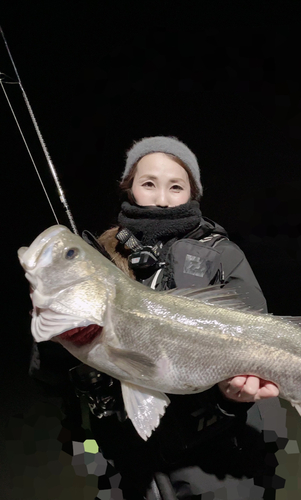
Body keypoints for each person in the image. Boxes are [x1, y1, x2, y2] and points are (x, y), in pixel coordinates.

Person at [75, 136, 282, 499]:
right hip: (125, 463)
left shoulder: (223, 257)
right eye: (148, 183)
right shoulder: (101, 263)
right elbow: (49, 378)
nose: (161, 197)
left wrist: (232, 392)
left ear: (192, 194)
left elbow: (256, 342)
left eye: (175, 186)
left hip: (211, 461)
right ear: (129, 189)